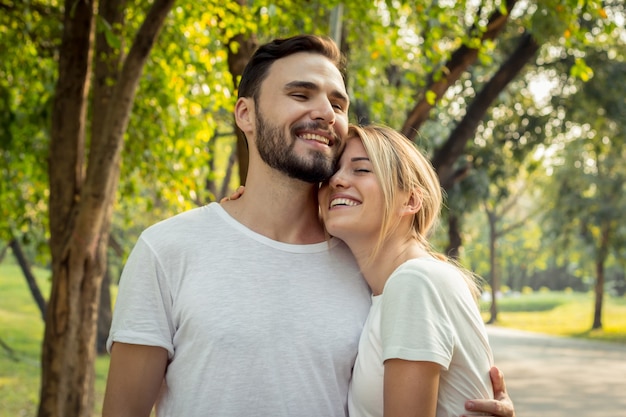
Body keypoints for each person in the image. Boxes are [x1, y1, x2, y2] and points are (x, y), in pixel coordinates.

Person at [102, 35, 515, 417]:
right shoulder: (168, 249)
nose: (324, 113)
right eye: (300, 94)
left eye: (338, 105)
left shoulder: (369, 262)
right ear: (245, 114)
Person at [318, 124, 498, 417]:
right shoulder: (388, 290)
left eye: (361, 170)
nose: (336, 180)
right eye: (333, 171)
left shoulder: (414, 282)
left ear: (411, 201)